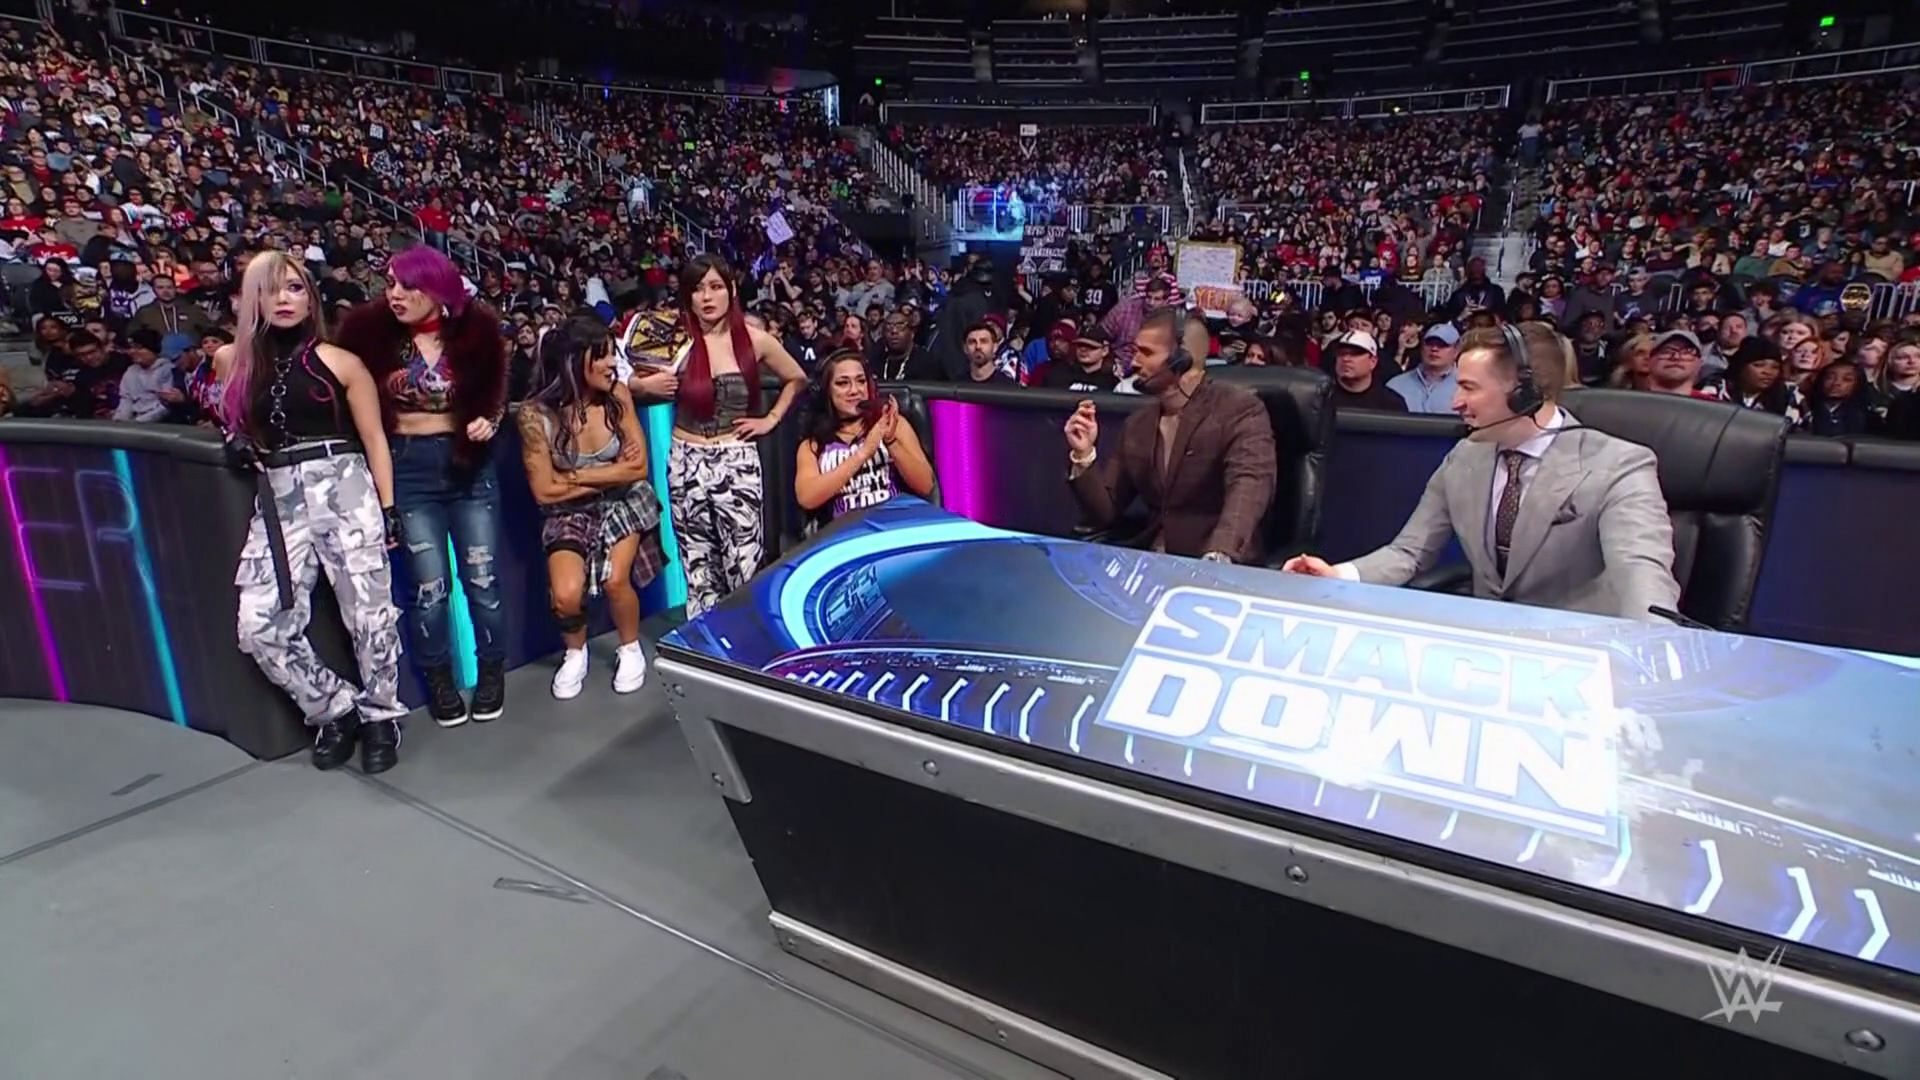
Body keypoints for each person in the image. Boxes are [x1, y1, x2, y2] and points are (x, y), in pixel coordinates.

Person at [1283, 323, 1682, 621]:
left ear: (1524, 394)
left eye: (1470, 388)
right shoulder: (1465, 457)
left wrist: (1655, 655)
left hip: (1576, 654)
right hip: (1487, 646)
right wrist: (1338, 575)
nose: (1455, 402)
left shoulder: (1618, 466)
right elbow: (1409, 552)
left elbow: (1642, 576)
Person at [215, 252, 406, 774]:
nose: (283, 299)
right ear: (251, 298)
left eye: (295, 288)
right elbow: (231, 420)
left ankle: (382, 715)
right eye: (270, 289)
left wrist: (388, 508)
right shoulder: (232, 360)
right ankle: (335, 709)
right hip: (278, 493)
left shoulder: (342, 362)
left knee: (370, 614)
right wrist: (233, 438)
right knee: (258, 624)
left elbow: (374, 439)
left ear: (310, 298)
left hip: (344, 482)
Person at [334, 246, 510, 728]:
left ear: (436, 289)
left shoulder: (477, 330)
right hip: (406, 467)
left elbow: (497, 393)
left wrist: (489, 421)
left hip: (467, 466)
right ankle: (439, 679)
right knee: (429, 587)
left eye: (408, 286)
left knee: (482, 581)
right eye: (390, 283)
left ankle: (491, 672)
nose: (395, 294)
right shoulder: (368, 335)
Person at [632, 253, 806, 617]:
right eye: (697, 289)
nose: (707, 297)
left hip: (735, 458)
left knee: (743, 562)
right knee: (697, 564)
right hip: (685, 459)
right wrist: (644, 385)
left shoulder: (755, 340)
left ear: (731, 290)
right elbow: (624, 378)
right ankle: (706, 641)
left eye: (715, 287)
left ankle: (745, 638)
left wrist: (770, 419)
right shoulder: (674, 337)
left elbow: (797, 378)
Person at [518, 317, 667, 700]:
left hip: (624, 501)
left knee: (616, 580)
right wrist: (609, 472)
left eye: (612, 354)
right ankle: (575, 653)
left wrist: (573, 476)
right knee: (566, 596)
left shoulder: (618, 395)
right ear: (572, 362)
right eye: (601, 356)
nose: (612, 364)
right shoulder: (535, 415)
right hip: (568, 511)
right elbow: (544, 491)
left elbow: (638, 469)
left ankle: (629, 648)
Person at [1063, 308, 1277, 563]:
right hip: (1153, 562)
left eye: (1146, 353)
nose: (1134, 362)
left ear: (1181, 360)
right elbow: (1105, 513)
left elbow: (1247, 489)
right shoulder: (1138, 424)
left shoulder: (1238, 410)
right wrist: (1084, 454)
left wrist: (1220, 555)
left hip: (1216, 563)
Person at [796, 349, 937, 526]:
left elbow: (926, 486)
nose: (855, 390)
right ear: (826, 391)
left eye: (861, 381)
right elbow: (807, 498)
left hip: (897, 525)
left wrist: (891, 442)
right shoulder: (812, 445)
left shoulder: (894, 424)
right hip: (847, 533)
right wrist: (863, 453)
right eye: (842, 383)